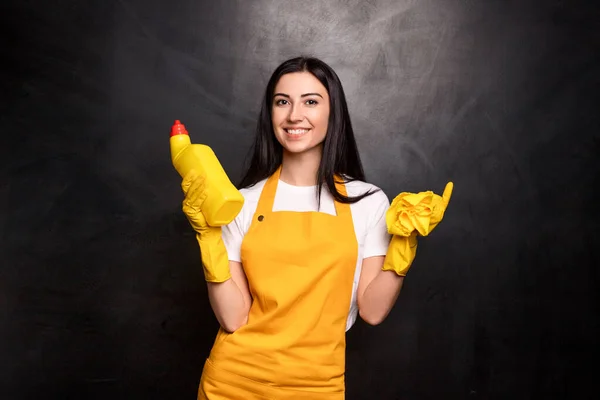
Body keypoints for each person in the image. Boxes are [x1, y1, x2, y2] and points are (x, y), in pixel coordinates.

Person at [180, 56, 453, 399]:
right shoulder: (242, 202)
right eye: (283, 102)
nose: (295, 115)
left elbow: (372, 310)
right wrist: (209, 240)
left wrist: (404, 243)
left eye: (311, 101)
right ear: (271, 114)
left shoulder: (367, 201)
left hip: (317, 386)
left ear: (332, 113)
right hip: (234, 384)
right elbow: (233, 319)